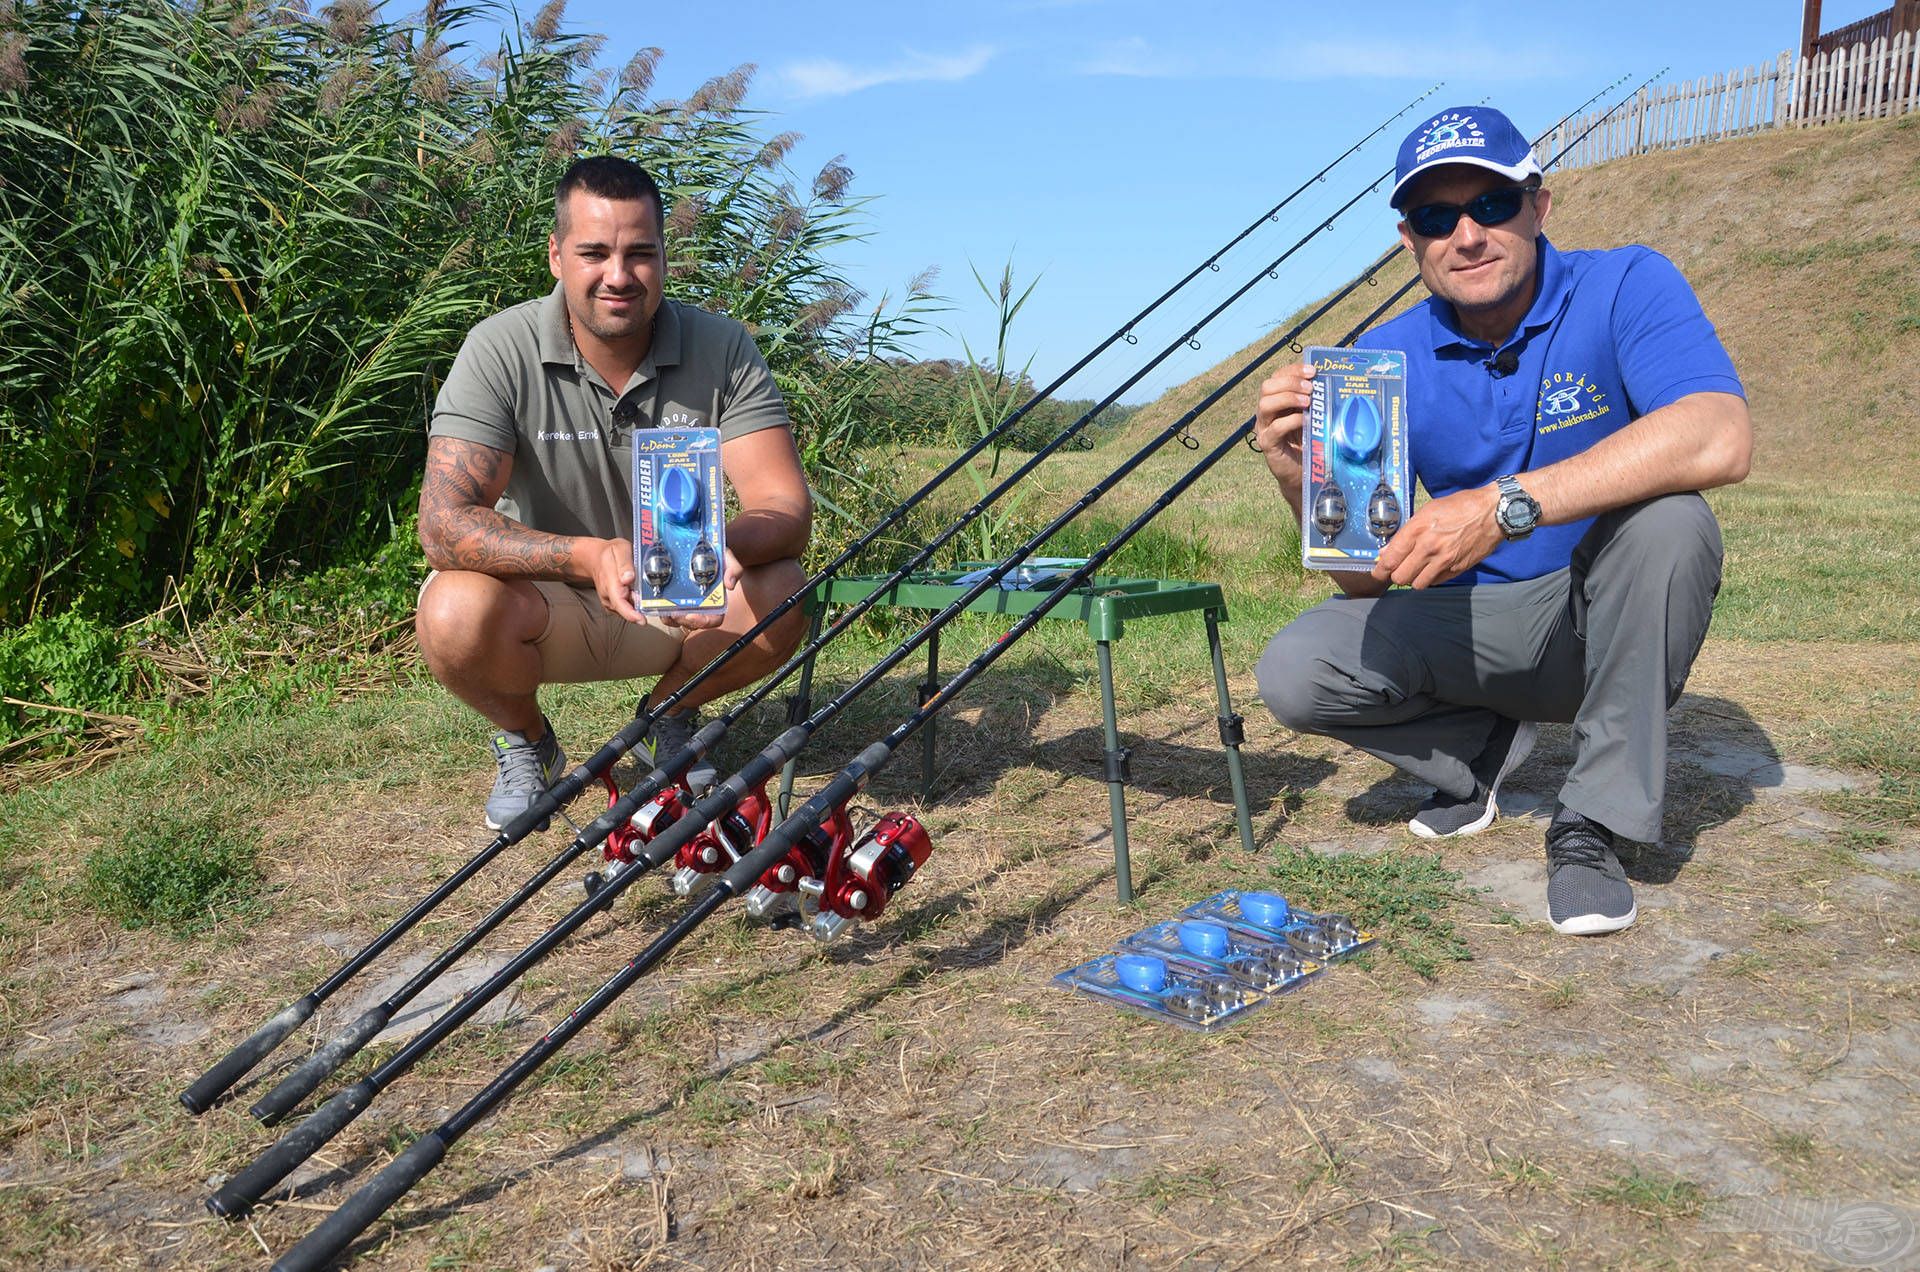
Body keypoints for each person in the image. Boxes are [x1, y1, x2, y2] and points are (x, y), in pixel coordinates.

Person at [1251, 106, 1751, 936]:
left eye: (1489, 204)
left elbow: (1720, 434)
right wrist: (1294, 477)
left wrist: (1503, 505)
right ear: (1410, 243)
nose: (1467, 234)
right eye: (1436, 218)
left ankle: (1593, 824)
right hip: (1472, 627)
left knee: (1673, 522)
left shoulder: (1629, 281)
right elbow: (1365, 578)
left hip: (1598, 617)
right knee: (1298, 666)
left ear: (1538, 208)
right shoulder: (1380, 362)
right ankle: (1477, 750)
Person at [416, 155, 811, 830]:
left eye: (640, 254)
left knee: (784, 590)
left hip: (680, 602)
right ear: (556, 255)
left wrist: (709, 547)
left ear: (665, 257)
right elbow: (444, 526)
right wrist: (590, 557)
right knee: (452, 608)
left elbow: (786, 510)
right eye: (594, 252)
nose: (619, 276)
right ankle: (529, 743)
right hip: (546, 606)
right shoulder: (497, 347)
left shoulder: (724, 346)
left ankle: (671, 718)